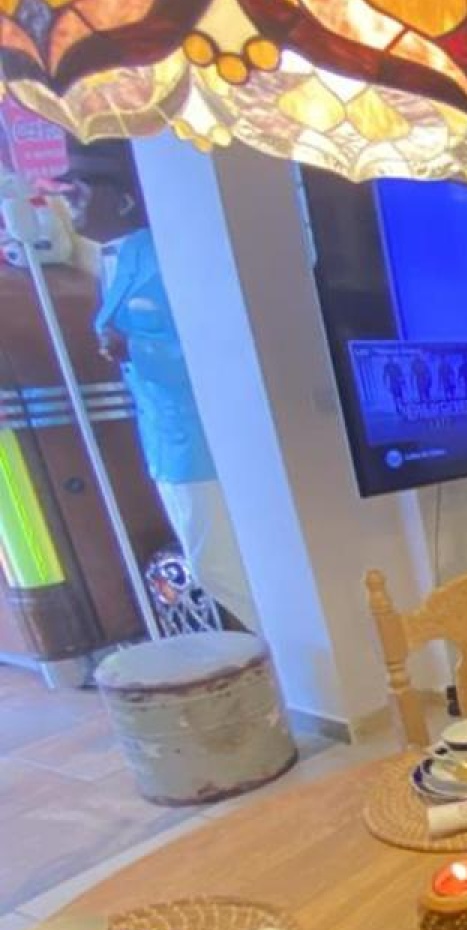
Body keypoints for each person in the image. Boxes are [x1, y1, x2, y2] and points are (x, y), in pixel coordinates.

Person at [68, 148, 258, 633]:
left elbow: (211, 348)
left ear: (124, 198)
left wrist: (134, 348)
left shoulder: (163, 258)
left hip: (198, 440)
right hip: (167, 439)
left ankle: (288, 648)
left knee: (218, 564)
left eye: (83, 184)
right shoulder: (117, 262)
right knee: (214, 562)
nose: (71, 196)